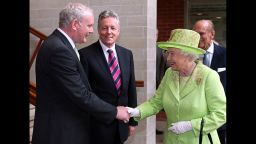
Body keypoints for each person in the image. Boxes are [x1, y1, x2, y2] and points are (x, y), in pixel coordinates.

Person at [32, 3, 130, 144]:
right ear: (75, 24)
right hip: (60, 133)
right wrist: (115, 112)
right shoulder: (59, 50)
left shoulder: (60, 44)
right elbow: (80, 94)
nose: (91, 31)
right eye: (89, 25)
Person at [127, 29, 226, 144]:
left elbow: (221, 114)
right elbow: (156, 102)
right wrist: (137, 111)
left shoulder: (208, 76)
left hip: (199, 140)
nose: (168, 58)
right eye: (167, 52)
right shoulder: (170, 73)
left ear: (187, 55)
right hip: (172, 140)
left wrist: (191, 125)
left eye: (172, 53)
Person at [79, 10, 138, 144]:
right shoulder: (85, 55)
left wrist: (133, 120)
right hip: (97, 126)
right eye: (104, 28)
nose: (109, 32)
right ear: (98, 30)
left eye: (113, 28)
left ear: (118, 30)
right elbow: (85, 93)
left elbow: (131, 89)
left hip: (121, 125)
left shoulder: (127, 54)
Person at [193, 19, 226, 144]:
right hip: (194, 118)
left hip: (218, 119)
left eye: (201, 33)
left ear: (212, 34)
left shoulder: (224, 54)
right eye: (195, 34)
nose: (197, 37)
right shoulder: (188, 56)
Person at [155, 28, 168, 135]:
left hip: (160, 82)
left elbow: (166, 65)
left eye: (156, 34)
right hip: (151, 83)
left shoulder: (161, 49)